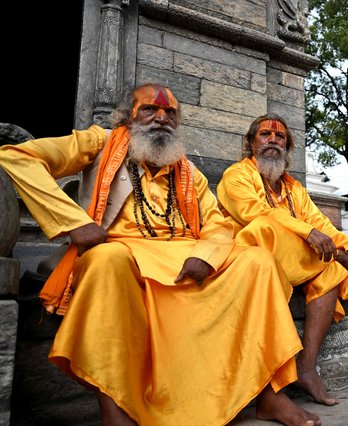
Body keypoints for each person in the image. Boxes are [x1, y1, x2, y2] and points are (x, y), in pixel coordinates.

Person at [0, 83, 321, 426]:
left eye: (170, 113)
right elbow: (15, 156)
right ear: (127, 116)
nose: (161, 118)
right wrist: (73, 223)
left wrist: (206, 256)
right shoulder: (100, 142)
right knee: (106, 261)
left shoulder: (187, 171)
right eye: (150, 110)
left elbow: (217, 224)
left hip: (184, 256)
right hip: (123, 251)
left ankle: (271, 396)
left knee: (258, 262)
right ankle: (115, 411)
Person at [217, 114, 348, 406]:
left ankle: (307, 368)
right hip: (247, 257)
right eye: (265, 135)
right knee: (265, 227)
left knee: (330, 270)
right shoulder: (237, 175)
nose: (272, 141)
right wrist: (310, 233)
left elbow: (321, 222)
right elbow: (255, 214)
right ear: (250, 143)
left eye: (279, 137)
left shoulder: (294, 188)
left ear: (287, 146)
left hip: (288, 260)